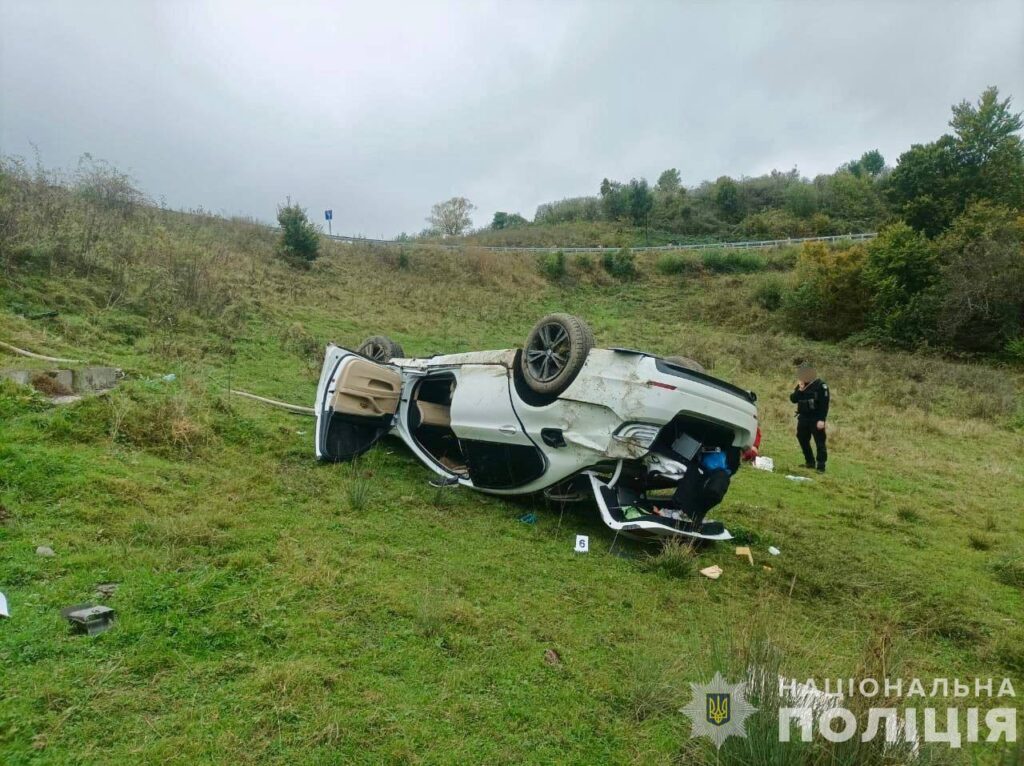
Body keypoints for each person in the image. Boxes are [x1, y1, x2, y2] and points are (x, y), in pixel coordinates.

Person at [789, 360, 829, 472]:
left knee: (819, 442)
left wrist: (822, 420)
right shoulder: (801, 385)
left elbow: (824, 404)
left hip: (816, 418)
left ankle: (821, 466)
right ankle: (810, 461)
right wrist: (800, 390)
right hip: (803, 417)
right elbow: (793, 399)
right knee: (802, 438)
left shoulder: (821, 385)